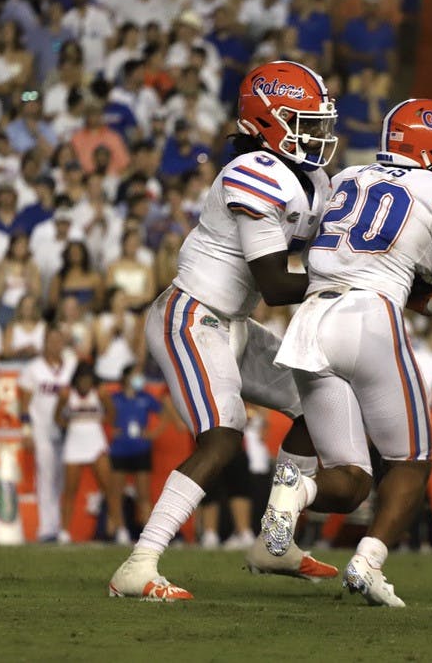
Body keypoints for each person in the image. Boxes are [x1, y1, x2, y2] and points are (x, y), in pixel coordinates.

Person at [109, 61, 341, 601]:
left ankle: (275, 540)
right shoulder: (252, 172)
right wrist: (357, 286)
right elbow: (276, 283)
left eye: (317, 123)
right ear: (265, 122)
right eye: (301, 122)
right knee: (222, 433)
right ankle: (140, 562)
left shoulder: (315, 180)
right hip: (190, 315)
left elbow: (333, 251)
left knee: (318, 400)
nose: (316, 135)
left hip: (232, 322)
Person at [265, 99, 432, 606]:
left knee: (351, 482)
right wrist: (429, 304)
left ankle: (295, 491)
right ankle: (367, 565)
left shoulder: (347, 176)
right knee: (412, 463)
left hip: (311, 317)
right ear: (428, 145)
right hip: (370, 316)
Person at [17, 326, 77, 541]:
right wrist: (26, 431)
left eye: (58, 340)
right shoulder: (33, 368)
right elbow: (23, 403)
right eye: (51, 340)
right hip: (41, 427)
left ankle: (60, 526)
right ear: (44, 342)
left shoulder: (72, 366)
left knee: (62, 478)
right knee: (45, 475)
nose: (55, 345)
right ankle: (46, 527)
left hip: (67, 428)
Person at [53, 363, 122, 544]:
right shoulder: (67, 395)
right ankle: (64, 532)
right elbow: (57, 417)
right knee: (70, 490)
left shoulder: (100, 393)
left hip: (95, 442)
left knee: (109, 488)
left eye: (88, 380)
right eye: (82, 380)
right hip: (74, 443)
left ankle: (120, 529)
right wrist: (71, 425)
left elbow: (112, 413)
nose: (85, 384)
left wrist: (97, 422)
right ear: (76, 380)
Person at [108, 365, 168, 545]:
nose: (139, 379)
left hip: (141, 449)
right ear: (125, 377)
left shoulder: (146, 398)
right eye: (135, 375)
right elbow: (104, 416)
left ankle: (148, 536)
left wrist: (153, 433)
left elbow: (165, 415)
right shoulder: (114, 398)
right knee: (116, 493)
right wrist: (111, 430)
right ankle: (120, 530)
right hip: (119, 450)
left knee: (144, 494)